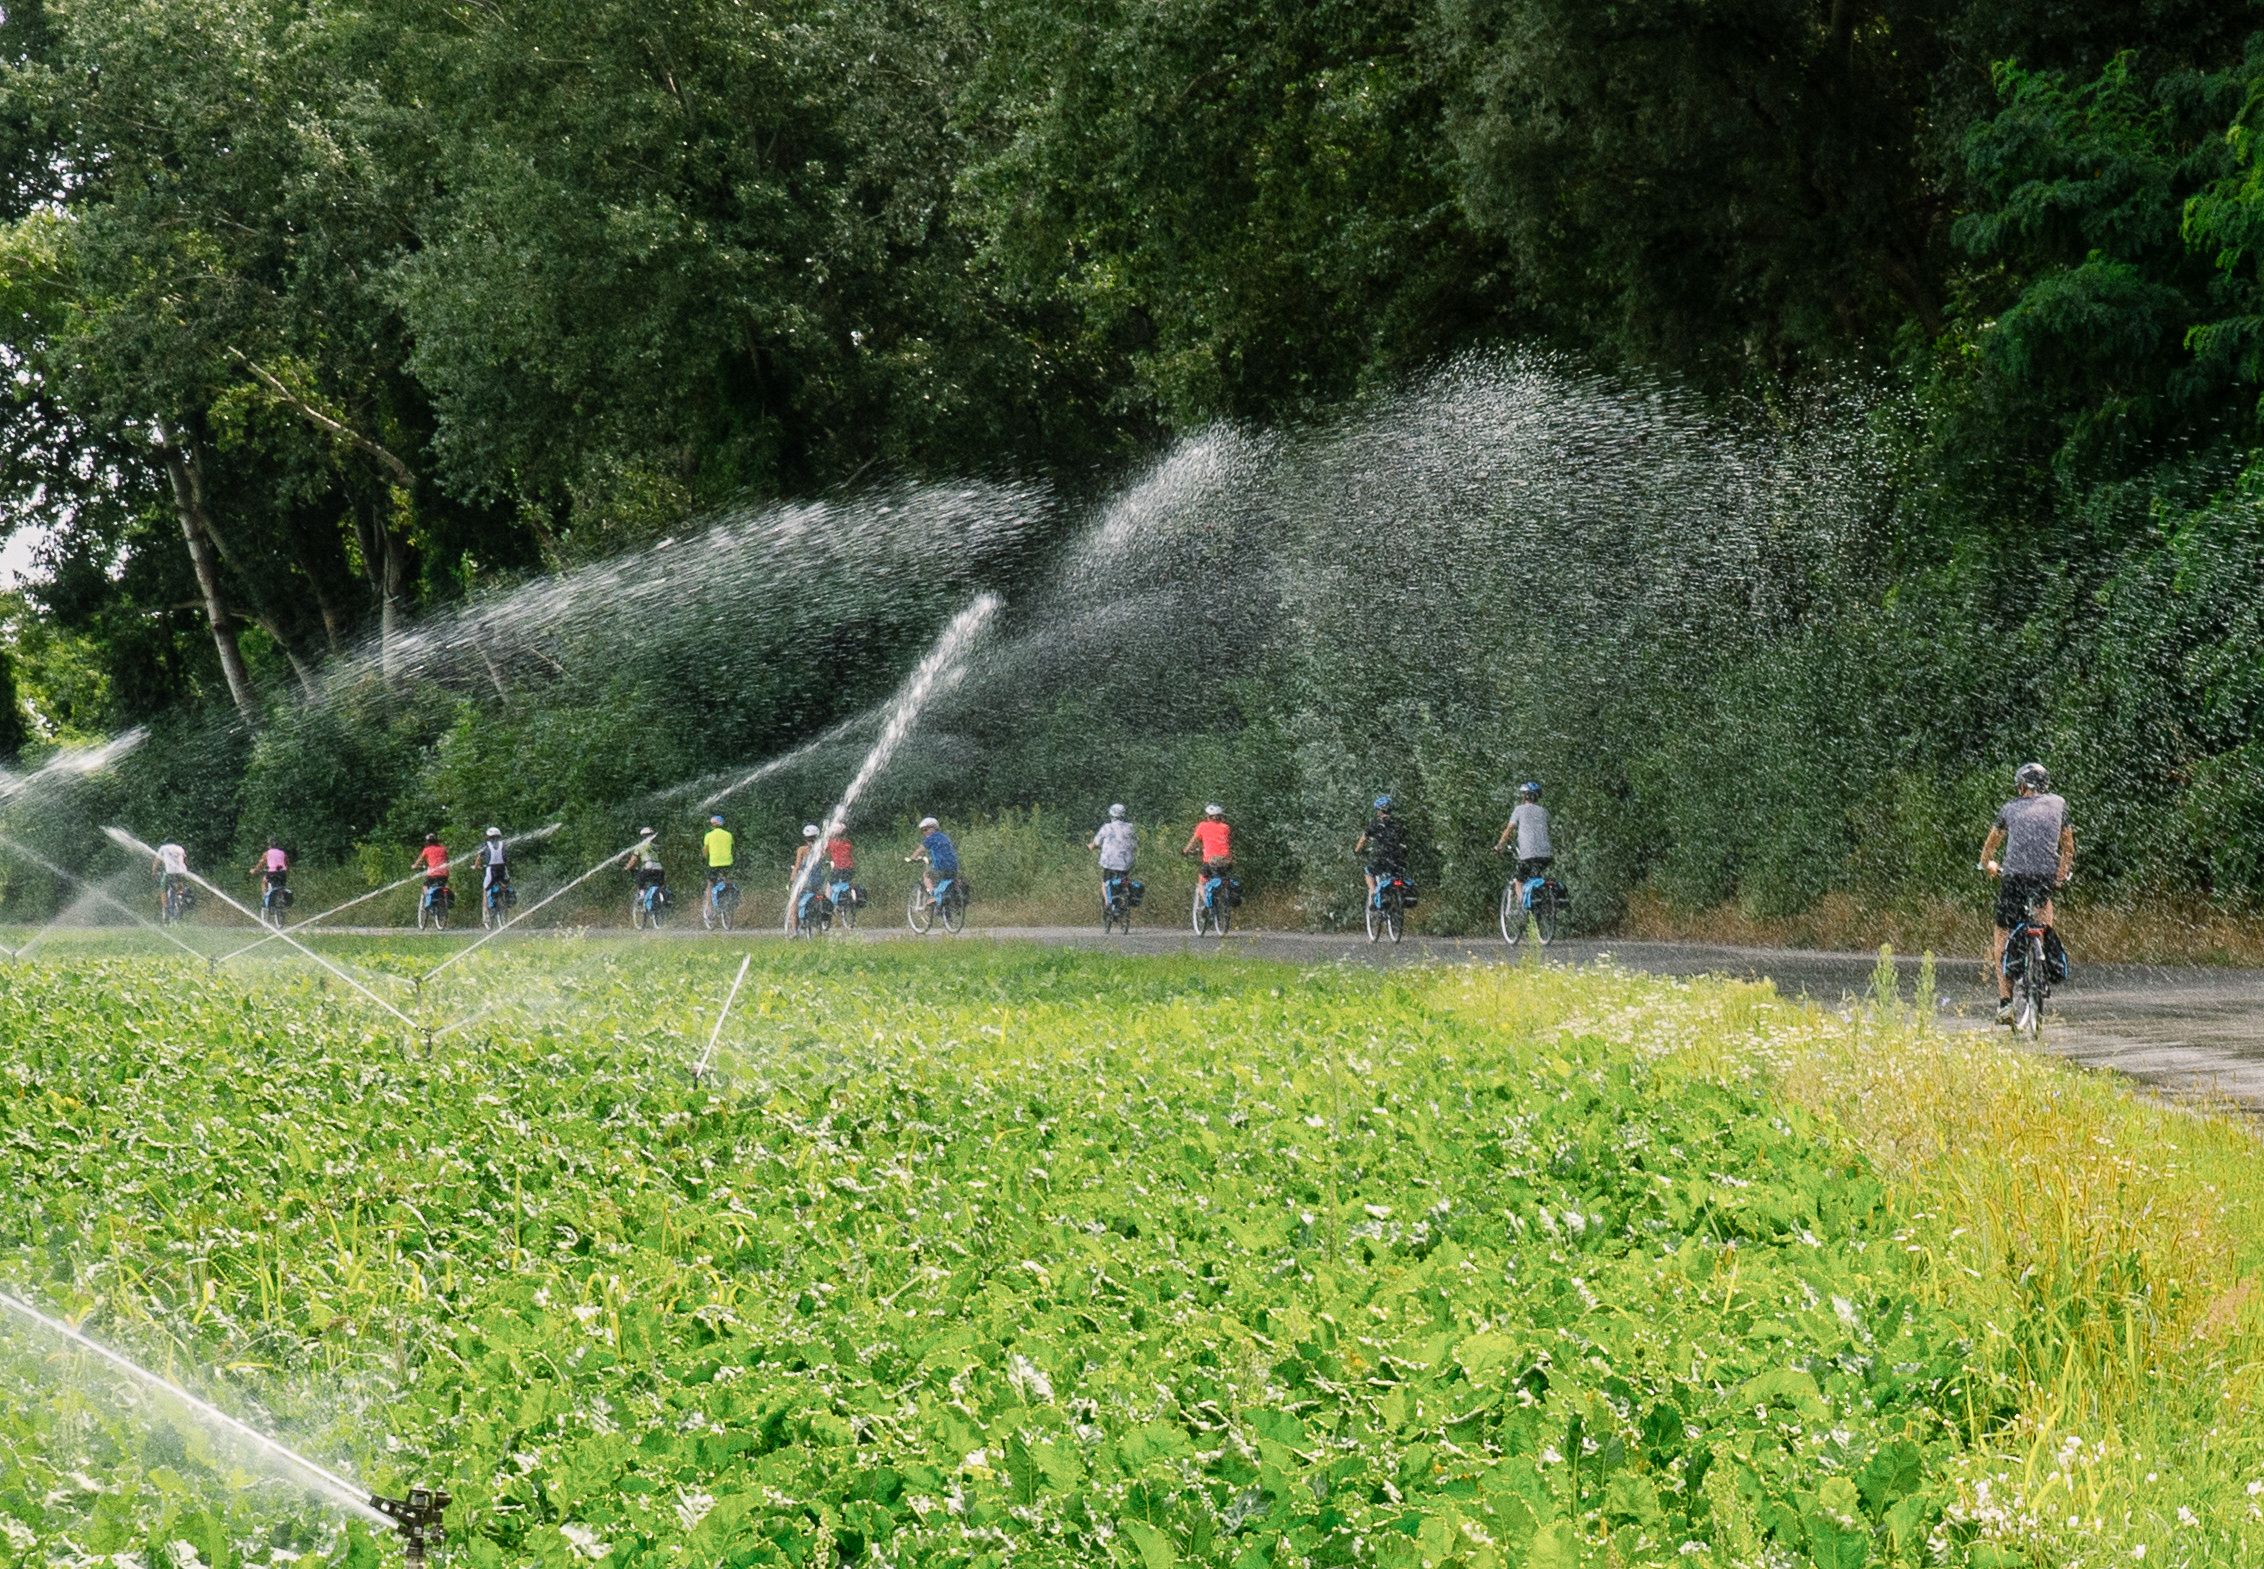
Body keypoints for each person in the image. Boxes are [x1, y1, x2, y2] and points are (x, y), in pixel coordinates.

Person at [1980, 761, 2074, 1024]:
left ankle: (2005, 1002)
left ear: (2021, 786)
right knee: (2045, 905)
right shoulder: (2059, 804)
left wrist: (1989, 864)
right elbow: (2068, 848)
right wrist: (2060, 875)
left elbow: (1989, 848)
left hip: (2014, 877)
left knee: (2001, 932)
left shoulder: (2009, 809)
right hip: (2044, 876)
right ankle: (2040, 957)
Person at [1492, 782, 1553, 897]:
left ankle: (1523, 907)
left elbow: (1509, 829)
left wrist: (1499, 846)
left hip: (1529, 855)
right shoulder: (1544, 811)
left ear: (1526, 796)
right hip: (1546, 855)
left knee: (1518, 880)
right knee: (1536, 877)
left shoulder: (1519, 810)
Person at [1354, 795, 1408, 902]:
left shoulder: (1375, 825)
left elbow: (1363, 840)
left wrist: (1356, 851)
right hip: (1397, 859)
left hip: (1381, 858)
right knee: (1398, 877)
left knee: (1368, 872)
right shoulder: (1398, 825)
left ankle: (1374, 894)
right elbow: (1403, 842)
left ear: (1379, 810)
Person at [1089, 804, 1137, 903]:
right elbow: (1135, 843)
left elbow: (1096, 843)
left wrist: (1091, 846)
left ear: (1111, 814)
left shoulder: (1107, 827)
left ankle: (1108, 904)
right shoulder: (1130, 827)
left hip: (1110, 863)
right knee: (1125, 878)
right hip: (1126, 862)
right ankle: (1126, 895)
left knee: (1105, 882)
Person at [907, 815, 958, 894]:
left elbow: (920, 849)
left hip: (941, 868)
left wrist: (912, 857)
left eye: (926, 829)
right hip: (953, 869)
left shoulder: (931, 838)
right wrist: (930, 860)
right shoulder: (944, 837)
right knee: (940, 878)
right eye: (922, 831)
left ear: (933, 828)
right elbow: (943, 854)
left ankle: (933, 894)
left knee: (927, 875)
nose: (924, 832)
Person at [1181, 803, 1232, 880]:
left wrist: (1185, 851)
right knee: (1224, 877)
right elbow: (1221, 842)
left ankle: (1202, 891)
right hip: (1226, 860)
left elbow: (1193, 841)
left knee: (1202, 879)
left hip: (1210, 861)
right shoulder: (1226, 827)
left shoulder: (1203, 825)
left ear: (1208, 816)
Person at [620, 828, 664, 904]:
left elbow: (633, 861)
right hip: (660, 870)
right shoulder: (655, 846)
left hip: (649, 868)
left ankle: (642, 894)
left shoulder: (640, 846)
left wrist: (627, 868)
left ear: (643, 836)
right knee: (660, 886)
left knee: (640, 877)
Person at [412, 832, 450, 913]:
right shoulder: (443, 849)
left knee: (425, 886)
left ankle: (428, 902)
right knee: (442, 886)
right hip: (444, 874)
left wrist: (414, 866)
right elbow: (447, 860)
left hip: (433, 875)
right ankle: (442, 903)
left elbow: (419, 860)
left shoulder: (426, 850)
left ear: (427, 842)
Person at [152, 840, 188, 917]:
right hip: (181, 872)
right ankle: (180, 898)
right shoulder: (180, 848)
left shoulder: (163, 848)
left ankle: (165, 910)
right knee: (179, 886)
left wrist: (154, 872)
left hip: (169, 873)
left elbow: (157, 861)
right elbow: (184, 860)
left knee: (163, 889)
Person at [474, 826, 509, 906]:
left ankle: (486, 912)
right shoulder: (503, 844)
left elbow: (479, 857)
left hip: (491, 869)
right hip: (503, 868)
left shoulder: (486, 845)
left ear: (488, 836)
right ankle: (506, 900)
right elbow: (506, 857)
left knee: (485, 888)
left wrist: (476, 866)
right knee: (505, 884)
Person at [248, 840, 289, 905]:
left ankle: (265, 899)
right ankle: (282, 897)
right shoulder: (283, 853)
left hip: (272, 872)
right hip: (282, 873)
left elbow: (260, 864)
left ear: (270, 846)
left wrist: (254, 871)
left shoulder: (267, 853)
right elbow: (287, 865)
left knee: (264, 881)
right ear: (278, 847)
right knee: (282, 886)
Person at [702, 813, 735, 893]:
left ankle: (708, 905)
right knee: (729, 881)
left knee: (710, 884)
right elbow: (732, 849)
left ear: (712, 825)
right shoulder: (729, 835)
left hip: (714, 863)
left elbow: (705, 850)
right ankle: (732, 899)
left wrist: (704, 859)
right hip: (727, 863)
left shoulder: (708, 835)